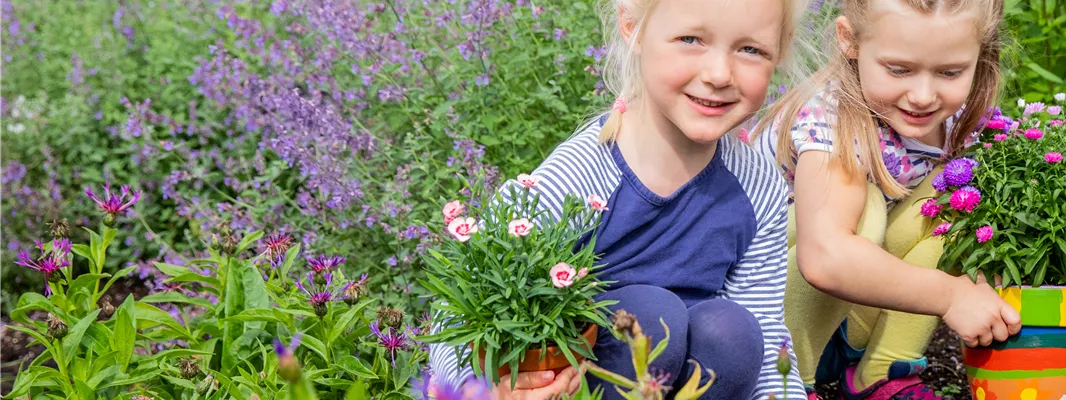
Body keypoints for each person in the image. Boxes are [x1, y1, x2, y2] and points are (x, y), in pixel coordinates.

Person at [425, 0, 810, 398]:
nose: (718, 74)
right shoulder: (580, 175)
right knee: (651, 314)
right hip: (579, 382)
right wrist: (483, 390)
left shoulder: (756, 184)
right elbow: (455, 315)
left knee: (733, 330)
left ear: (780, 50)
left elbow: (765, 331)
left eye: (750, 49)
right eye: (691, 39)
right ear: (633, 28)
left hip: (690, 376)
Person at [760, 0, 1018, 398]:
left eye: (950, 72)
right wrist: (952, 295)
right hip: (765, 321)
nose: (922, 95)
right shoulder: (829, 119)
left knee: (957, 204)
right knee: (864, 208)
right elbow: (825, 257)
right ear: (850, 40)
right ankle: (788, 385)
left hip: (851, 317)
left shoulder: (959, 121)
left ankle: (883, 372)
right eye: (899, 69)